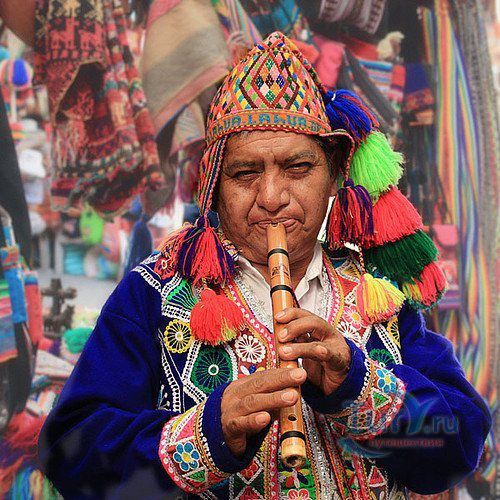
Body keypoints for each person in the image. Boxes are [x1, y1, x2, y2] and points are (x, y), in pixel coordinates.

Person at [38, 32, 491, 499]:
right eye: (245, 173)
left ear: (334, 175)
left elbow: (460, 443)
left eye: (297, 168)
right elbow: (70, 453)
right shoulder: (155, 292)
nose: (271, 198)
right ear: (213, 185)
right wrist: (209, 432)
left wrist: (359, 386)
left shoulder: (379, 293)